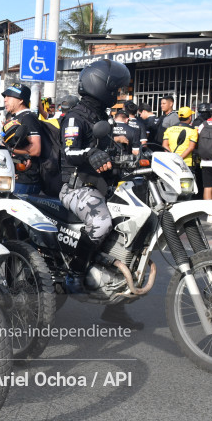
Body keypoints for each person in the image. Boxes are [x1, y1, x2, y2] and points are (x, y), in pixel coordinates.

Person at [60, 59, 143, 329]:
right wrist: (91, 153)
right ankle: (75, 271)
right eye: (115, 89)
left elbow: (112, 153)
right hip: (77, 187)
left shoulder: (101, 118)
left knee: (132, 237)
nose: (118, 94)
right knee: (101, 223)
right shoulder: (75, 117)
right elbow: (69, 152)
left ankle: (115, 310)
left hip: (102, 187)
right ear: (101, 86)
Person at [1, 84, 44, 195]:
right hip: (15, 176)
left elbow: (36, 149)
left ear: (20, 100)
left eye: (9, 97)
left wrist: (10, 149)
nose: (5, 100)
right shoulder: (15, 118)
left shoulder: (28, 117)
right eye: (5, 97)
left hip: (26, 180)